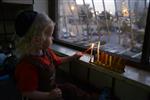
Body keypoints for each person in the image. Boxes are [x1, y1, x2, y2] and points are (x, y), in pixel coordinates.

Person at [14, 10, 98, 100]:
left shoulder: (46, 52)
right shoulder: (27, 65)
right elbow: (28, 92)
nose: (52, 38)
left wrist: (72, 57)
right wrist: (48, 96)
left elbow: (57, 60)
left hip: (51, 89)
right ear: (37, 39)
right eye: (50, 35)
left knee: (69, 88)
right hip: (41, 96)